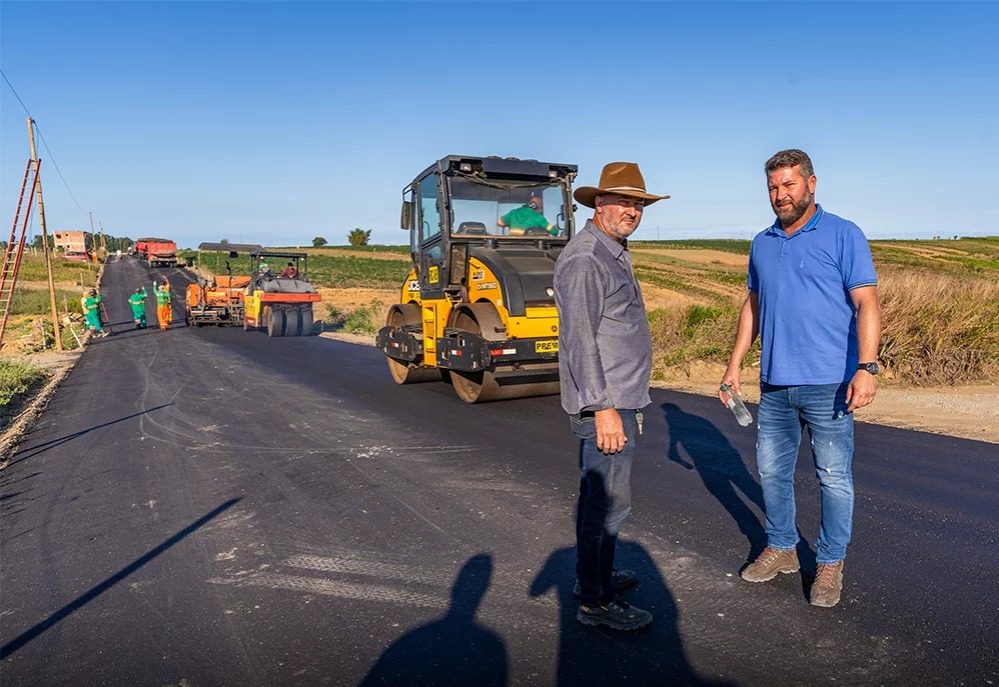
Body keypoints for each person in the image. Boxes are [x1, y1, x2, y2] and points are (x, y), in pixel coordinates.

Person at [720, 149, 880, 608]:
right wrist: (734, 365)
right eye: (773, 187)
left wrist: (867, 368)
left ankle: (830, 563)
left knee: (833, 478)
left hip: (831, 383)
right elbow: (753, 305)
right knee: (772, 473)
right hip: (774, 384)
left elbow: (867, 303)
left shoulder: (843, 234)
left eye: (789, 185)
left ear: (812, 183)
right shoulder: (762, 242)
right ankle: (783, 548)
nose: (780, 195)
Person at [553, 161, 669, 631]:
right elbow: (580, 340)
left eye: (638, 203)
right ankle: (595, 601)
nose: (633, 211)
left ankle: (595, 577)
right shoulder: (586, 260)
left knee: (606, 500)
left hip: (621, 398)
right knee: (605, 502)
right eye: (623, 201)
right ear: (598, 203)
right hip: (607, 403)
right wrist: (603, 409)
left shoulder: (612, 250)